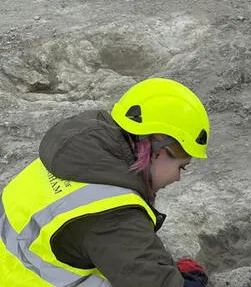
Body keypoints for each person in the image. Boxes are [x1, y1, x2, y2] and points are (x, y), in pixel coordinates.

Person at [0, 78, 211, 287]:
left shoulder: (78, 157)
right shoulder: (114, 216)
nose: (178, 178)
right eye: (181, 167)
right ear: (160, 151)